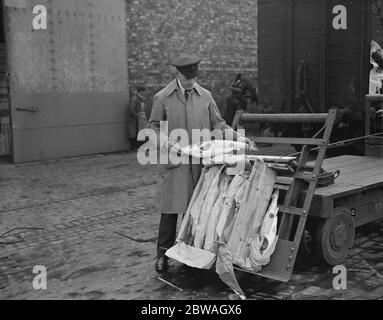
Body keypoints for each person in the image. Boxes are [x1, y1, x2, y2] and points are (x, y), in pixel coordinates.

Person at [147, 54, 250, 272]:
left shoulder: (205, 96)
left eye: (194, 78)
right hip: (174, 163)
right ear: (178, 74)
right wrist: (167, 144)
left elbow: (219, 125)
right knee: (170, 211)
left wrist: (238, 137)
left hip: (200, 165)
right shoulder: (163, 97)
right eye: (187, 78)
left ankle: (190, 255)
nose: (191, 82)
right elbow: (153, 129)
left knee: (198, 210)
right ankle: (163, 255)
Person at [129, 86, 147, 151]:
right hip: (137, 118)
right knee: (137, 132)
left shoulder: (140, 98)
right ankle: (136, 147)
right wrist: (136, 116)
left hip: (142, 118)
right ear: (140, 91)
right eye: (143, 92)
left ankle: (142, 146)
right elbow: (131, 109)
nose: (144, 93)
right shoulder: (135, 99)